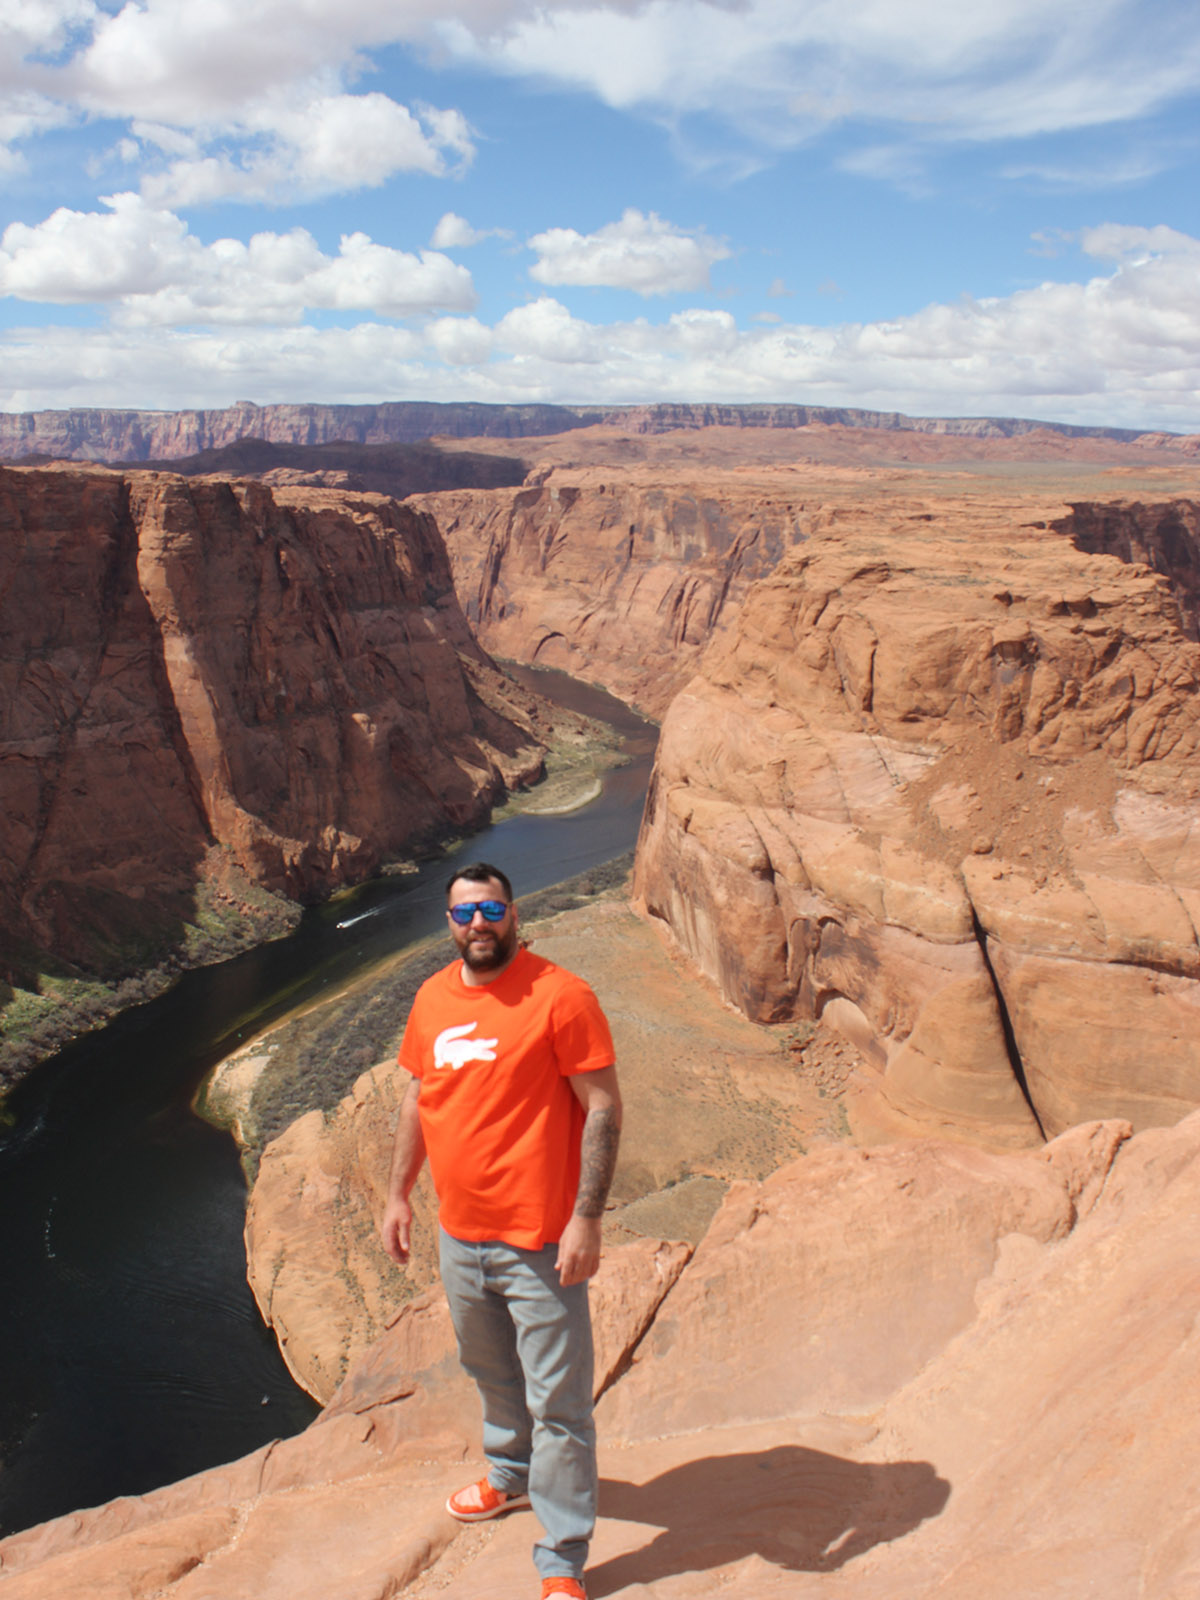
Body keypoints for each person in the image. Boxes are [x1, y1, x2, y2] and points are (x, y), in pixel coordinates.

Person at [380, 862, 622, 1600]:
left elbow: (604, 1108)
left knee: (561, 1404)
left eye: (490, 909)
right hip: (461, 1238)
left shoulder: (561, 996)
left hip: (540, 1241)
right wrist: (397, 1195)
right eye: (463, 913)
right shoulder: (431, 998)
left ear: (513, 913)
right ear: (448, 923)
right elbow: (421, 1099)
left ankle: (562, 1559)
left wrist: (586, 1217)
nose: (477, 924)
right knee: (491, 1374)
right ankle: (510, 1477)